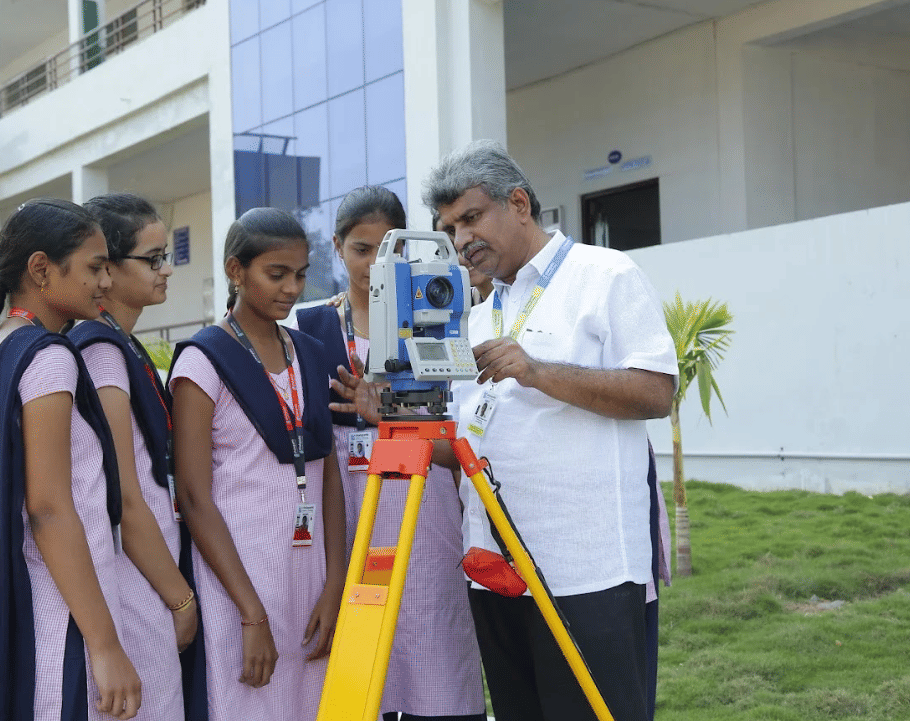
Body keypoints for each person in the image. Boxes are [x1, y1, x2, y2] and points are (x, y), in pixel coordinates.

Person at [425, 140, 678, 721]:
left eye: (470, 218)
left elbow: (655, 392)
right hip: (495, 568)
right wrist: (387, 416)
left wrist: (537, 372)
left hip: (587, 571)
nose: (461, 240)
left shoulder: (604, 274)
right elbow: (465, 442)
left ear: (518, 203)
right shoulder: (479, 313)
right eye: (449, 228)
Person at [0, 199, 142, 721]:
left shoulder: (6, 346)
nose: (106, 282)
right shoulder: (47, 359)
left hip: (31, 606)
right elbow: (48, 509)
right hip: (58, 617)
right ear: (42, 269)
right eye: (95, 267)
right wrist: (106, 644)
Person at [297, 186, 486, 721]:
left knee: (431, 630)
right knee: (357, 645)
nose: (375, 262)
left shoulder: (436, 319)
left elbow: (458, 421)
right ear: (337, 247)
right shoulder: (307, 328)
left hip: (422, 505)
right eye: (361, 249)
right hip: (348, 502)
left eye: (388, 248)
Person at [169, 207, 345, 721]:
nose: (291, 288)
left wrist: (334, 583)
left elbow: (328, 473)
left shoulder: (310, 354)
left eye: (300, 274)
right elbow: (195, 496)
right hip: (238, 579)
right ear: (235, 270)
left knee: (311, 703)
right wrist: (251, 614)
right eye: (276, 274)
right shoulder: (204, 361)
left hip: (309, 575)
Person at [68, 193, 198, 721]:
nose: (166, 270)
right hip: (132, 579)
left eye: (165, 256)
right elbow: (125, 493)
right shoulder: (100, 351)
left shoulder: (123, 343)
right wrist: (180, 600)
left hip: (146, 572)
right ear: (106, 268)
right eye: (152, 259)